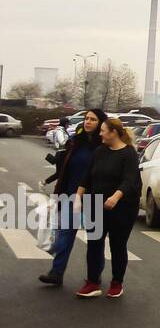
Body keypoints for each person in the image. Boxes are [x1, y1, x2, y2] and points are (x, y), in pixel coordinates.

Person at [75, 115, 141, 299]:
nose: (101, 134)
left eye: (103, 131)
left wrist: (116, 196)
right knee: (94, 244)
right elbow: (88, 176)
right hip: (96, 204)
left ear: (113, 133)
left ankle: (116, 283)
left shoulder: (128, 153)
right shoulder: (99, 151)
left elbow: (129, 180)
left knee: (117, 245)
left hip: (122, 208)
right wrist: (78, 197)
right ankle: (92, 282)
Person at [39, 110, 103, 287]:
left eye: (93, 119)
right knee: (65, 234)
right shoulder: (76, 143)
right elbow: (64, 168)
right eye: (86, 119)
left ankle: (94, 276)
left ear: (101, 123)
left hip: (93, 198)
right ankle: (56, 272)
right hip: (70, 195)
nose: (88, 122)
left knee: (95, 240)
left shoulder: (103, 146)